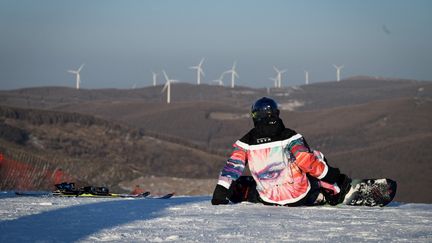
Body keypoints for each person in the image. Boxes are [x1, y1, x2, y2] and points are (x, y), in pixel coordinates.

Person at [211, 97, 352, 206]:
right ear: (276, 113)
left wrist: (220, 191)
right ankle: (331, 190)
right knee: (315, 155)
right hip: (299, 196)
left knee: (252, 179)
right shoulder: (289, 137)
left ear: (255, 116)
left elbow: (232, 166)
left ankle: (247, 191)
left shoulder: (246, 142)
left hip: (268, 199)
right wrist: (333, 175)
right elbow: (307, 162)